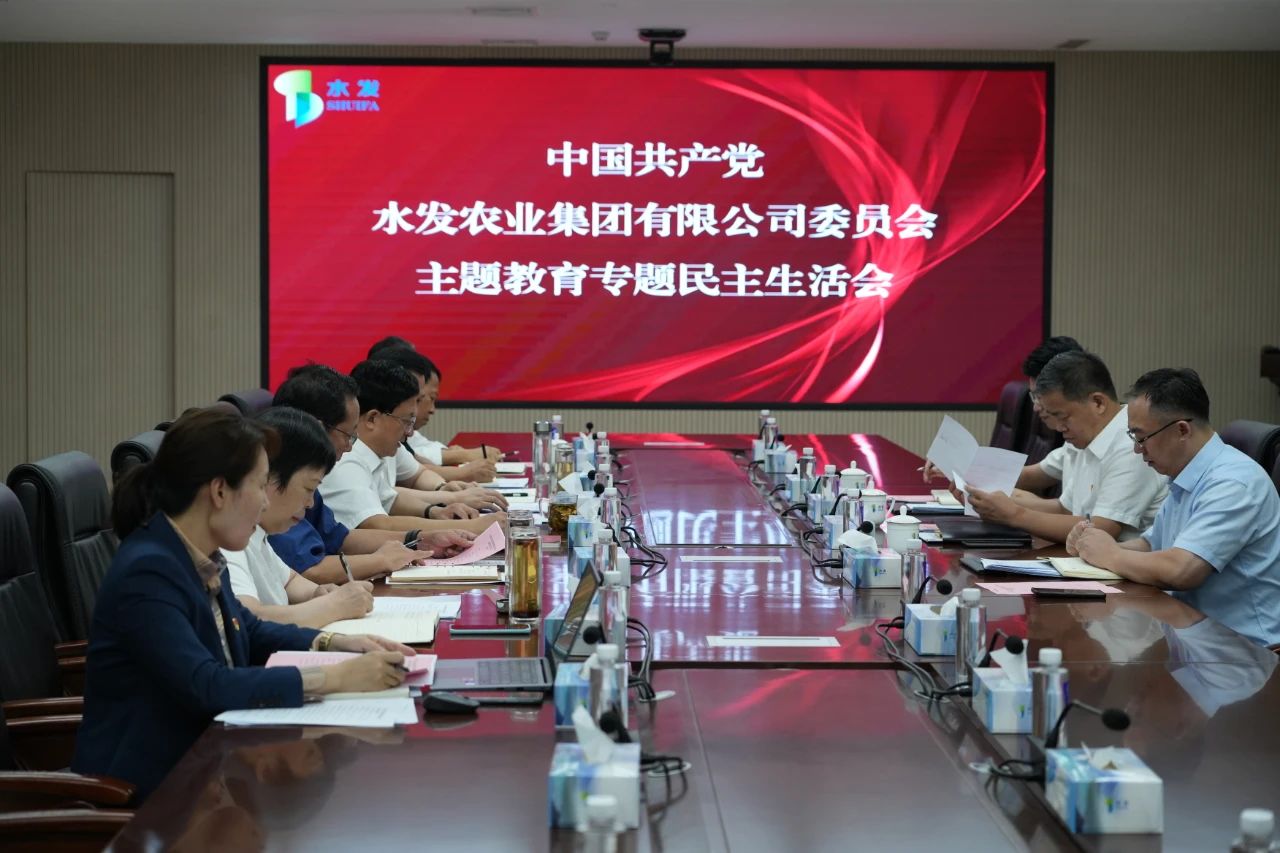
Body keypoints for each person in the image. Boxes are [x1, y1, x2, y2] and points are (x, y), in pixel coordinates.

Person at [72, 408, 412, 802]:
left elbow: (245, 628)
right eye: (259, 486)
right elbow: (206, 684)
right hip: (147, 793)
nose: (265, 503)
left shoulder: (198, 552)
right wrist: (336, 678)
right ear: (220, 492)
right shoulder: (149, 570)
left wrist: (333, 644)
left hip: (205, 764)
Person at [1068, 368, 1280, 647]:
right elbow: (1151, 544)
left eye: (1141, 437)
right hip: (1193, 636)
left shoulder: (1233, 482)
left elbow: (1182, 571)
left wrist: (1110, 554)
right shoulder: (1186, 474)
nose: (1137, 450)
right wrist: (1089, 546)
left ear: (1181, 430)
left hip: (1246, 652)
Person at [268, 364, 475, 583]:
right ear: (317, 429)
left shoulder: (302, 475)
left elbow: (341, 538)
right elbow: (310, 569)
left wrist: (420, 540)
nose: (350, 447)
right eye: (348, 435)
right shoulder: (277, 482)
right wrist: (380, 560)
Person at [965, 351, 1168, 543]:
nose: (1058, 427)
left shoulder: (1131, 445)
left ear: (1098, 403)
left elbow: (1100, 529)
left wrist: (1014, 515)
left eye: (1062, 417)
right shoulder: (1085, 437)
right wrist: (988, 502)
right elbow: (1065, 511)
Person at [224, 407, 380, 628]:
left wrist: (319, 593)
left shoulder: (256, 531)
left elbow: (289, 580)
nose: (310, 503)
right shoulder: (230, 541)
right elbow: (247, 620)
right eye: (309, 489)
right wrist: (333, 606)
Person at [319, 359, 507, 534]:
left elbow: (390, 499)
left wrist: (435, 511)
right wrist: (471, 526)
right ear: (372, 419)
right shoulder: (346, 459)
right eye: (406, 421)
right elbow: (376, 524)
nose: (409, 433)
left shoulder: (375, 450)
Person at [923, 336, 1084, 485]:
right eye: (1034, 397)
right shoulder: (1071, 445)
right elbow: (1028, 476)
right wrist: (959, 466)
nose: (1035, 407)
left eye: (1040, 397)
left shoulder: (1092, 444)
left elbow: (1058, 505)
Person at [367, 336, 502, 469]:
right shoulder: (374, 436)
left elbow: (417, 464)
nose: (410, 432)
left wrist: (454, 457)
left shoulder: (398, 428)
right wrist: (461, 461)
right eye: (419, 398)